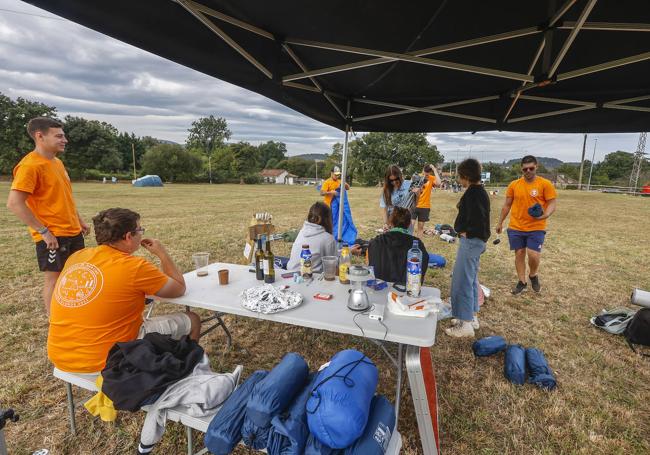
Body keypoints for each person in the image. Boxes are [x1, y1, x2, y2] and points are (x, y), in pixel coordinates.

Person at [47, 208, 201, 373]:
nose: (141, 233)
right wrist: (162, 254)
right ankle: (185, 372)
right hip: (107, 361)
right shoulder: (134, 267)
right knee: (193, 320)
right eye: (140, 230)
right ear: (128, 237)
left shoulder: (76, 257)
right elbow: (178, 288)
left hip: (61, 357)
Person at [6, 117, 90, 315]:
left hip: (72, 231)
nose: (65, 140)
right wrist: (44, 232)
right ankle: (56, 323)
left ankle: (72, 315)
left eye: (64, 135)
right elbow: (14, 203)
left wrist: (79, 220)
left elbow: (63, 196)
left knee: (73, 276)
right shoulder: (30, 166)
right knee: (54, 279)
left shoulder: (57, 162)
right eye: (59, 136)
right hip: (53, 235)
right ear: (40, 136)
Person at [495, 155, 557, 294]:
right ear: (521, 169)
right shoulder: (514, 185)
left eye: (531, 168)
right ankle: (522, 282)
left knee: (533, 255)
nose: (528, 171)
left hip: (536, 227)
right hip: (516, 226)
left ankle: (533, 275)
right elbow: (507, 205)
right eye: (525, 169)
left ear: (536, 167)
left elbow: (552, 202)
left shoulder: (545, 184)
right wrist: (500, 222)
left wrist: (546, 214)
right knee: (519, 254)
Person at [444, 159, 490, 338]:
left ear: (467, 176)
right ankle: (471, 316)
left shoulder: (473, 193)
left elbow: (478, 220)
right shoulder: (479, 192)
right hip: (475, 242)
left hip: (471, 242)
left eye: (460, 176)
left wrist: (465, 232)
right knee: (471, 280)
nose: (458, 180)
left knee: (462, 281)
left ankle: (465, 325)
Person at [366, 207, 429, 285]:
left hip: (379, 289)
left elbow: (369, 270)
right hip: (407, 291)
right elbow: (421, 273)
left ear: (390, 222)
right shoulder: (418, 246)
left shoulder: (375, 242)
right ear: (409, 224)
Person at [287, 202, 337, 272]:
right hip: (309, 277)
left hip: (289, 273)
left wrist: (348, 251)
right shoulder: (328, 238)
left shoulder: (302, 232)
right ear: (328, 219)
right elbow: (332, 265)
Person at [411, 164, 441, 238]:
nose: (426, 175)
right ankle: (408, 244)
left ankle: (418, 245)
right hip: (414, 205)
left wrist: (435, 170)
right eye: (425, 173)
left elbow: (439, 183)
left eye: (428, 174)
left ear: (430, 173)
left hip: (424, 206)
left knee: (420, 227)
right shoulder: (416, 176)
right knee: (410, 226)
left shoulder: (431, 178)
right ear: (423, 170)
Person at [380, 165, 412, 231]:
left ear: (400, 176)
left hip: (405, 221)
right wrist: (385, 223)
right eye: (391, 180)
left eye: (396, 179)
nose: (394, 182)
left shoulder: (409, 185)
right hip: (392, 221)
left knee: (407, 240)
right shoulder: (386, 190)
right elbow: (384, 209)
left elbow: (414, 203)